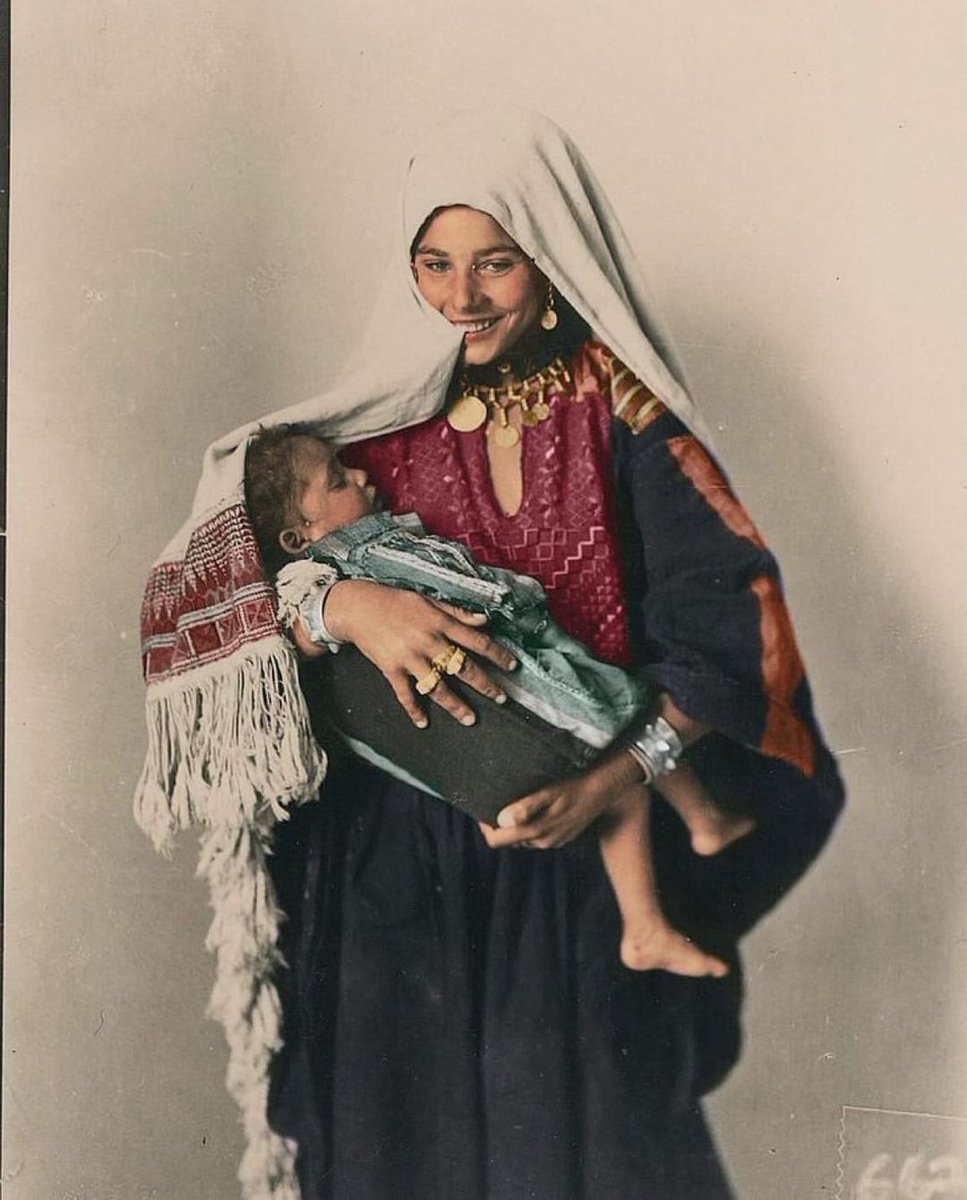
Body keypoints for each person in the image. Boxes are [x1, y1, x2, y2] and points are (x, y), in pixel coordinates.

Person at [135, 109, 845, 1200]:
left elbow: (721, 637)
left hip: (570, 859)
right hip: (388, 881)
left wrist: (608, 781)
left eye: (494, 264)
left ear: (549, 262)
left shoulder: (628, 420)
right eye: (433, 264)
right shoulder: (360, 433)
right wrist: (343, 609)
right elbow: (203, 598)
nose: (460, 298)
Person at [246, 424, 756, 978]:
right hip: (505, 695)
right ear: (298, 537)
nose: (362, 477)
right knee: (626, 723)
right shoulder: (364, 552)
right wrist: (502, 596)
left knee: (622, 752)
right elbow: (438, 581)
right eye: (340, 480)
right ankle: (667, 889)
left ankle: (691, 848)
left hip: (471, 756)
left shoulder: (338, 559)